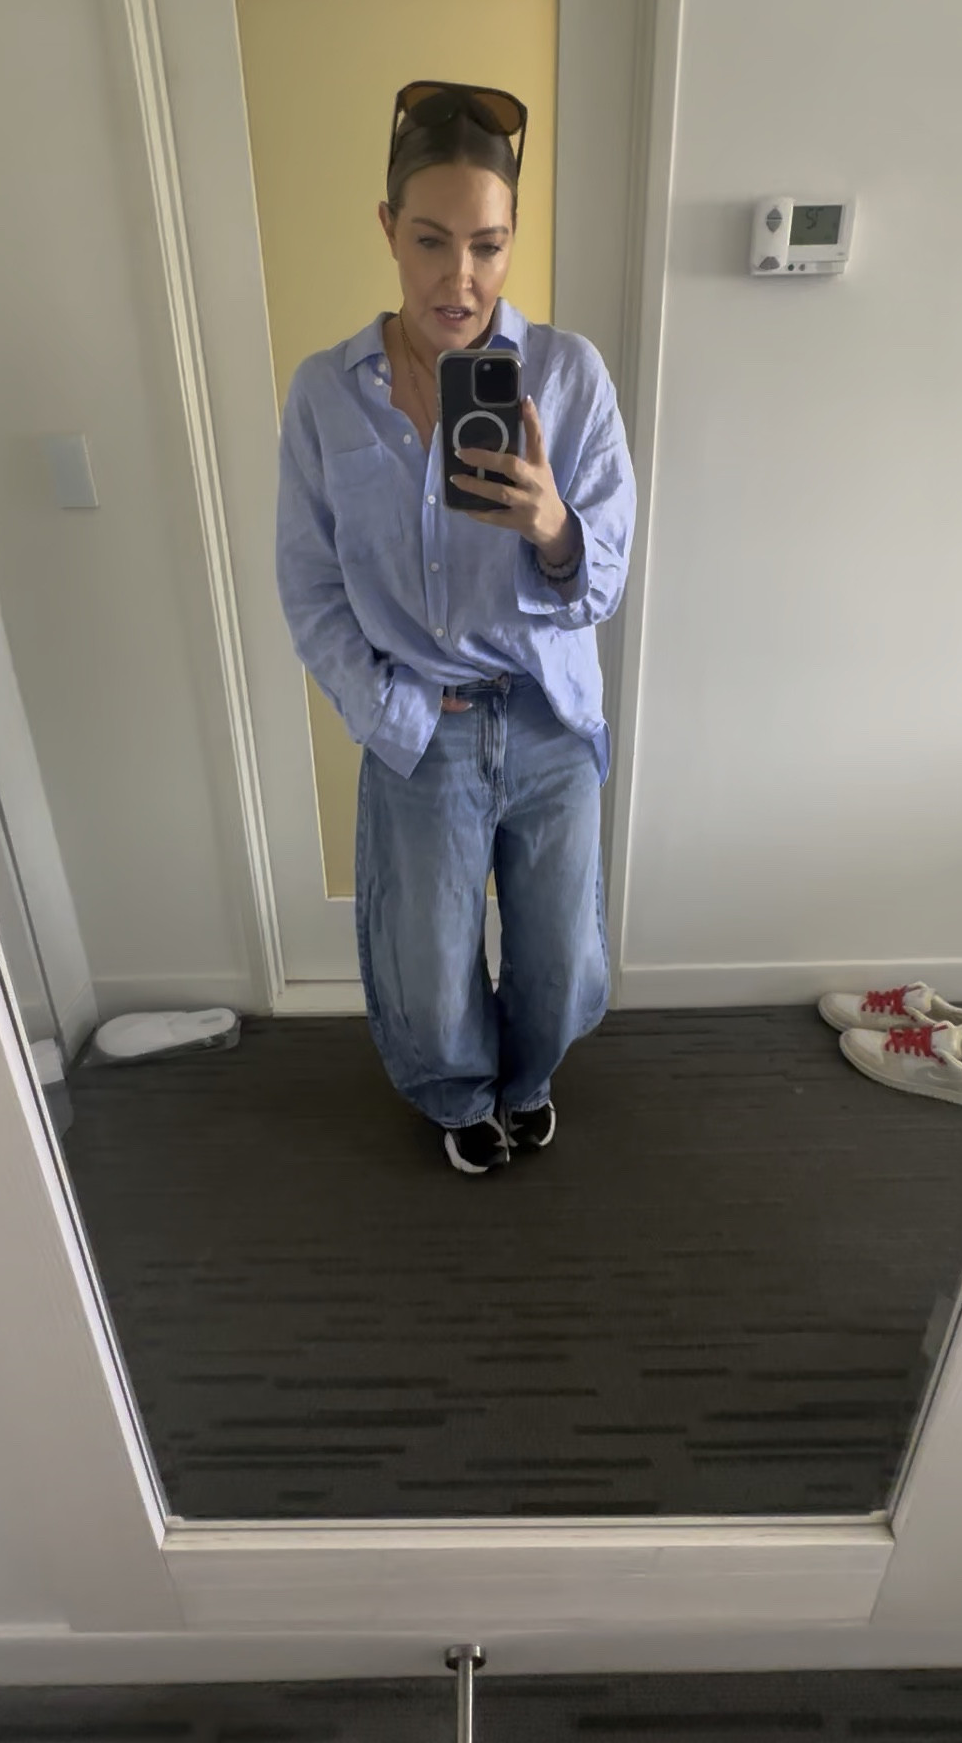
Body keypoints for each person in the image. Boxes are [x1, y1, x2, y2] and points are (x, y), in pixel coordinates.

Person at [276, 80, 636, 1175]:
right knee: (426, 974)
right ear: (389, 228)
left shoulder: (569, 377)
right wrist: (388, 707)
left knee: (564, 964)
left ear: (514, 237)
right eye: (432, 240)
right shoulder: (327, 394)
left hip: (549, 721)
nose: (460, 277)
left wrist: (553, 526)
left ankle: (527, 1082)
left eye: (488, 244)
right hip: (421, 724)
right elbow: (309, 585)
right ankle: (459, 1095)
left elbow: (603, 583)